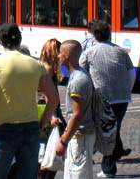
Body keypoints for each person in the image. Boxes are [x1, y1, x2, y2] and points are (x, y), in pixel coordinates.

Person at [0, 23, 59, 179]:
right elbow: (54, 99)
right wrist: (41, 124)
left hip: (4, 129)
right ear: (20, 40)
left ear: (1, 41)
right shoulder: (37, 65)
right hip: (30, 128)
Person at [80, 21, 135, 178]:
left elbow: (81, 74)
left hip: (102, 97)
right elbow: (131, 74)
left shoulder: (89, 53)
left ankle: (108, 169)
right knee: (113, 129)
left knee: (105, 132)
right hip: (122, 98)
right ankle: (115, 154)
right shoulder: (121, 51)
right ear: (109, 34)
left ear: (94, 35)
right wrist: (126, 91)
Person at [55, 40, 95, 179]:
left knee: (76, 175)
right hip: (81, 135)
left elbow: (77, 114)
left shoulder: (78, 80)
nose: (58, 56)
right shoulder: (79, 74)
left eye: (60, 52)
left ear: (66, 55)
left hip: (80, 137)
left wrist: (63, 141)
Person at [38, 39, 66, 179]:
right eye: (59, 51)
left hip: (51, 111)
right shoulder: (47, 69)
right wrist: (52, 117)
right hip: (51, 112)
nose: (61, 55)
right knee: (50, 153)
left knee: (49, 153)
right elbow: (46, 95)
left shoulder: (45, 67)